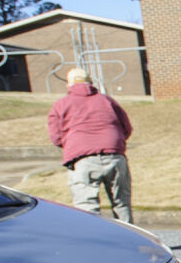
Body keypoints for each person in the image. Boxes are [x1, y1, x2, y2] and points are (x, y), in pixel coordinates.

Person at [46, 67, 134, 223]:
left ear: (69, 85)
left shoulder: (61, 104)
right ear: (91, 83)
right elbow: (126, 128)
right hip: (115, 155)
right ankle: (130, 242)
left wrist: (74, 145)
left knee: (87, 207)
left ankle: (95, 244)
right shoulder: (107, 100)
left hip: (82, 159)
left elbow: (56, 137)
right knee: (121, 204)